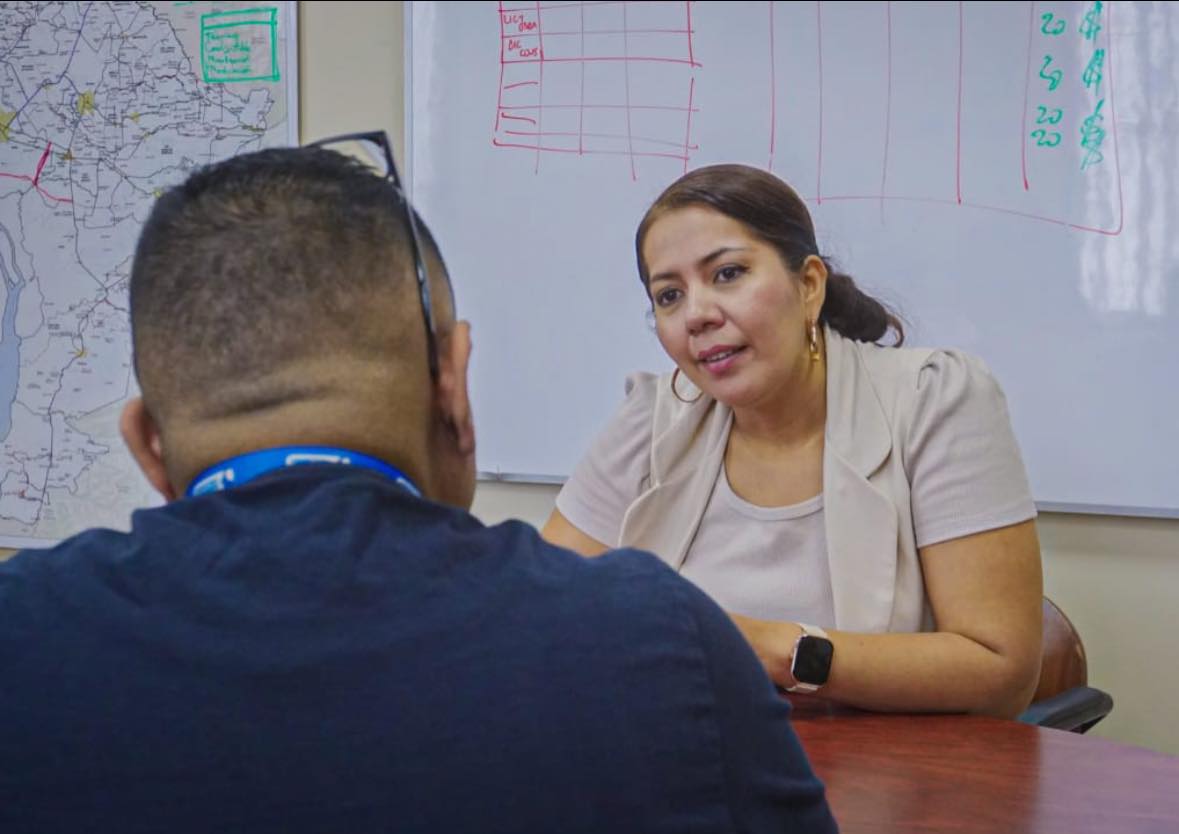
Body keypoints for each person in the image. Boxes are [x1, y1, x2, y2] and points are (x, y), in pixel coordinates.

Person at [0, 144, 837, 834]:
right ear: (453, 388)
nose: (697, 315)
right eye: (669, 294)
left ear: (148, 446)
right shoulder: (659, 645)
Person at [544, 164, 1044, 719]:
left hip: (880, 764)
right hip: (682, 751)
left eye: (728, 273)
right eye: (669, 296)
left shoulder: (934, 398)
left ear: (808, 285)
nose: (697, 315)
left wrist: (766, 649)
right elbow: (544, 607)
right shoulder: (653, 417)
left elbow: (1000, 671)